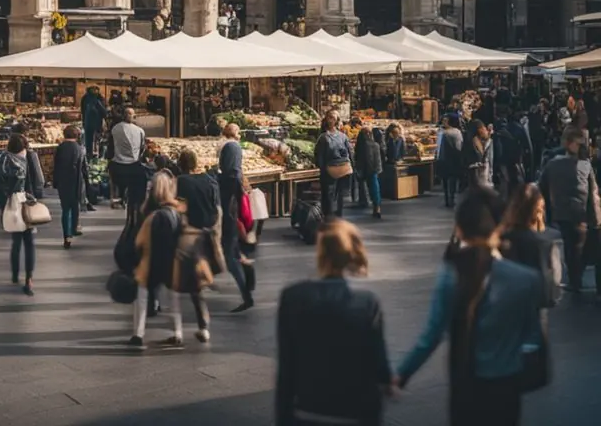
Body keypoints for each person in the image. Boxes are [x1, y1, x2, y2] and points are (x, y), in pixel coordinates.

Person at [397, 187, 544, 426]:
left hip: (466, 383)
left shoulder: (452, 275)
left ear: (459, 229)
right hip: (507, 386)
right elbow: (532, 336)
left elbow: (432, 335)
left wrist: (402, 374)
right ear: (498, 226)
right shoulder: (526, 280)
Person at [275, 220, 391, 426]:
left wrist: (283, 417)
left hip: (307, 412)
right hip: (353, 414)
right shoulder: (367, 304)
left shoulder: (292, 298)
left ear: (320, 253)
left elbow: (286, 369)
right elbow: (378, 368)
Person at [134, 172, 209, 348]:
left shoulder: (146, 211)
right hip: (172, 261)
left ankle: (138, 333)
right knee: (173, 296)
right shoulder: (177, 210)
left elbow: (139, 240)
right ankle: (177, 331)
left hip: (150, 261)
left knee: (142, 295)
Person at [538, 126, 601, 295]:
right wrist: (596, 220)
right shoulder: (585, 165)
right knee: (578, 247)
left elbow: (541, 187)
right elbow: (593, 194)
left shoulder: (553, 164)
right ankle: (576, 279)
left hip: (562, 213)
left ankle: (574, 280)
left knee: (570, 246)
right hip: (580, 214)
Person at [500, 183, 561, 310]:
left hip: (508, 302)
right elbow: (554, 276)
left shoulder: (503, 238)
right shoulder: (546, 241)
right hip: (536, 302)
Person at [1, 133, 45, 296]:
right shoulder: (30, 157)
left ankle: (14, 274)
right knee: (29, 243)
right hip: (27, 202)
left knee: (16, 241)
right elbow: (38, 180)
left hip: (11, 203)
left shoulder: (4, 160)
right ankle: (29, 278)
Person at [217, 123, 253, 313]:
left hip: (229, 206)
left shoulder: (231, 147)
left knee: (231, 254)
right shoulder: (232, 146)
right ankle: (248, 280)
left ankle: (247, 293)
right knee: (234, 250)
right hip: (231, 205)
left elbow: (233, 175)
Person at [52, 125, 88, 248]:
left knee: (65, 209)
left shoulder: (60, 148)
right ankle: (74, 229)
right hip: (77, 182)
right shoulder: (80, 149)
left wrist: (55, 182)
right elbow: (84, 168)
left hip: (63, 182)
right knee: (75, 206)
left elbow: (56, 166)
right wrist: (87, 183)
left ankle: (66, 235)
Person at [109, 107, 147, 212]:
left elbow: (110, 146)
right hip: (134, 164)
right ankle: (132, 200)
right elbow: (142, 148)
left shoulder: (115, 128)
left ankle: (118, 199)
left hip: (118, 163)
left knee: (116, 181)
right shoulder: (140, 131)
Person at [314, 114, 353, 219]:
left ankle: (329, 216)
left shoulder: (324, 137)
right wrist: (352, 165)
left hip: (330, 168)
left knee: (328, 194)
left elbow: (319, 154)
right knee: (340, 194)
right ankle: (338, 215)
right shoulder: (343, 136)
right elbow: (350, 152)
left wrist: (322, 168)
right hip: (344, 167)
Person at [353, 124, 385, 217]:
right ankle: (376, 206)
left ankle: (365, 202)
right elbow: (378, 159)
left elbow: (357, 158)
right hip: (372, 170)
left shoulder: (360, 145)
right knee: (374, 189)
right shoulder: (375, 145)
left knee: (364, 187)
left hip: (364, 169)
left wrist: (357, 168)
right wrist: (378, 169)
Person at [437, 115, 466, 208]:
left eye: (446, 121)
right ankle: (450, 199)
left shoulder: (447, 133)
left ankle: (449, 199)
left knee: (448, 180)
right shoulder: (455, 132)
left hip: (447, 159)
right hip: (449, 159)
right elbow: (459, 147)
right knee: (450, 181)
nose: (444, 122)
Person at [463, 119, 492, 190]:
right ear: (479, 130)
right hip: (477, 172)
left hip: (474, 171)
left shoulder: (471, 140)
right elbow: (478, 157)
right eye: (484, 128)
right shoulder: (475, 142)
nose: (485, 130)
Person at [81, 86, 108, 158]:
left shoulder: (85, 98)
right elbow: (104, 112)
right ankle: (96, 156)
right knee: (97, 141)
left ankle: (89, 155)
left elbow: (82, 111)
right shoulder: (99, 98)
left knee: (90, 141)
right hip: (96, 123)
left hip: (89, 123)